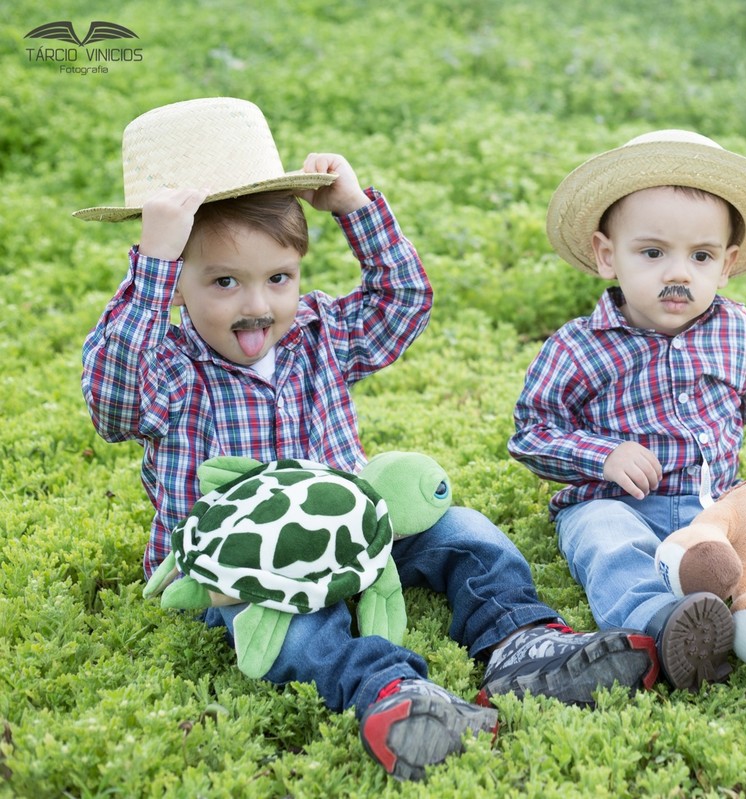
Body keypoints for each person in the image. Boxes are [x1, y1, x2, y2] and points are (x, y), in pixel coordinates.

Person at [78, 97, 659, 782]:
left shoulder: (319, 332)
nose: (257, 305)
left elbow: (403, 301)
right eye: (224, 282)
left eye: (278, 278)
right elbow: (113, 402)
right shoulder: (171, 367)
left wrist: (356, 209)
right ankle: (391, 692)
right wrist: (149, 266)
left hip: (354, 528)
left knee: (467, 533)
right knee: (299, 628)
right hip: (249, 571)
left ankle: (522, 643)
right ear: (174, 279)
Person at [509, 130, 746, 690]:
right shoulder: (578, 347)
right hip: (621, 502)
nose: (677, 273)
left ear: (727, 264)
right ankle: (666, 625)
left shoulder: (737, 332)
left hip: (721, 504)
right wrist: (603, 455)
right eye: (652, 252)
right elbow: (531, 431)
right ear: (605, 255)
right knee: (606, 540)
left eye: (700, 256)